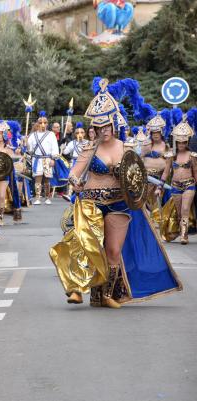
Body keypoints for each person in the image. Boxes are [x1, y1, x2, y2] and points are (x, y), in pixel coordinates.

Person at [51, 78, 182, 308]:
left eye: (107, 126)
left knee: (113, 250)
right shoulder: (89, 149)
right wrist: (75, 182)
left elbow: (135, 178)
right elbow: (74, 172)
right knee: (86, 245)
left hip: (119, 204)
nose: (104, 131)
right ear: (95, 128)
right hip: (91, 204)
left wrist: (138, 192)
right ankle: (77, 289)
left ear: (113, 124)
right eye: (99, 127)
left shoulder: (127, 149)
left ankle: (108, 294)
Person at [157, 115, 197, 244]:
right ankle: (181, 230)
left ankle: (184, 236)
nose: (181, 144)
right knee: (180, 212)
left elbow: (195, 172)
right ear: (175, 142)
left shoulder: (192, 156)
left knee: (185, 209)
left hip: (189, 185)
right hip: (175, 186)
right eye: (179, 142)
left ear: (187, 142)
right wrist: (160, 186)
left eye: (183, 142)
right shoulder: (171, 156)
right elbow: (166, 172)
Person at [27, 111, 60, 205]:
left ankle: (47, 197)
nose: (43, 124)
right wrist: (26, 143)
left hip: (47, 159)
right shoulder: (33, 135)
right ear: (37, 123)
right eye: (40, 122)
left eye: (45, 122)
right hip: (37, 159)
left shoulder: (51, 134)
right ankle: (37, 198)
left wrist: (54, 159)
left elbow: (55, 147)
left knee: (47, 179)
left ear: (47, 124)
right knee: (38, 178)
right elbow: (30, 150)